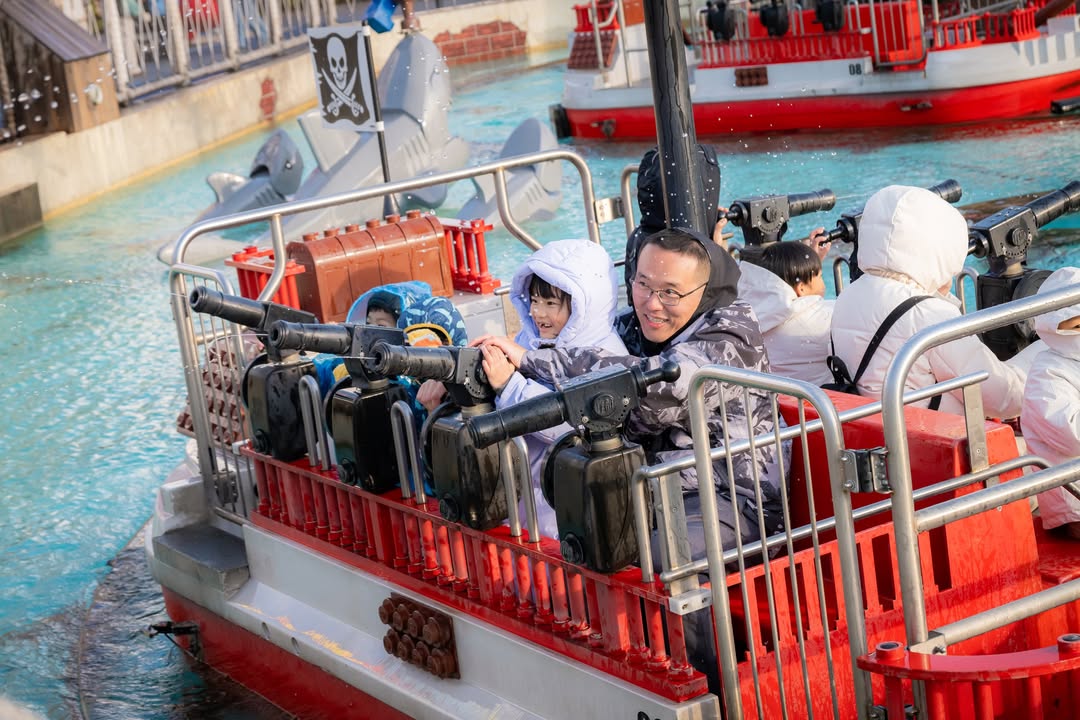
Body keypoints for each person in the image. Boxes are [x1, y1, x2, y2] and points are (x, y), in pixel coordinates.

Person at [480, 227, 783, 690]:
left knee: (663, 556)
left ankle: (707, 692)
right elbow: (589, 349)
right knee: (585, 540)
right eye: (642, 284)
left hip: (732, 496)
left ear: (703, 292)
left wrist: (529, 361)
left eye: (670, 292)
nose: (651, 303)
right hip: (658, 487)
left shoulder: (728, 336)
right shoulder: (634, 328)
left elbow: (654, 392)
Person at [830, 185, 1029, 417]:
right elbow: (1003, 398)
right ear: (937, 246)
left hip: (872, 427)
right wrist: (1040, 357)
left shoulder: (849, 296)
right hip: (931, 434)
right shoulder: (929, 315)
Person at [477, 239, 626, 539]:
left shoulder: (605, 355)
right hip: (527, 490)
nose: (537, 313)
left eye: (550, 304)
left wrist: (509, 385)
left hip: (562, 502)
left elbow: (574, 425)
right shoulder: (530, 340)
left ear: (584, 306)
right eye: (533, 300)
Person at [1020, 267, 1080, 540]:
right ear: (1053, 328)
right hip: (1074, 507)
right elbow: (1072, 437)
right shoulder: (1047, 373)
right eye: (1076, 326)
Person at [738, 240, 834, 386]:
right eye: (820, 276)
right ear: (801, 288)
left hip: (775, 398)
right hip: (817, 398)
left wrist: (806, 268)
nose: (822, 282)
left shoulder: (750, 314)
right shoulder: (825, 319)